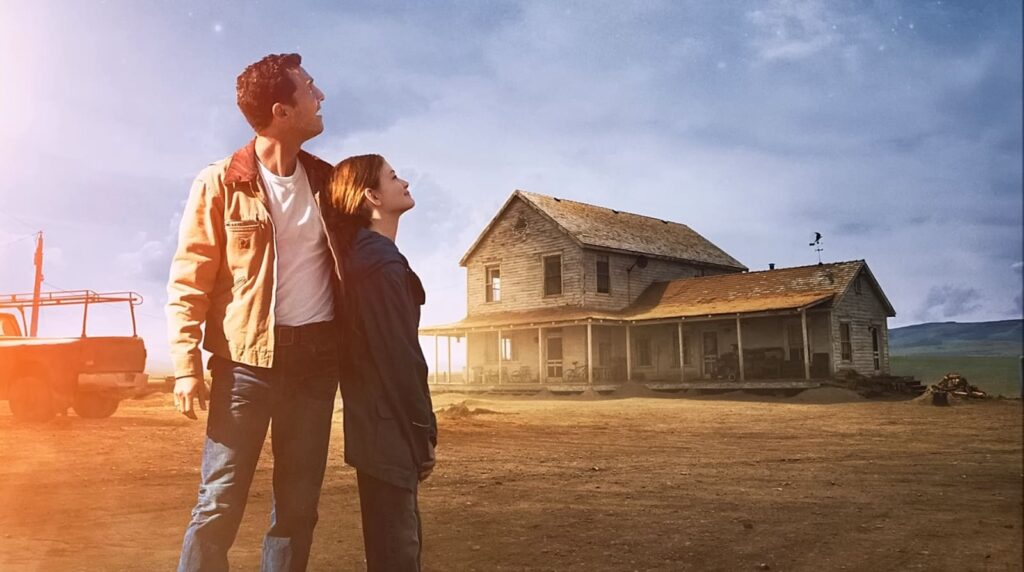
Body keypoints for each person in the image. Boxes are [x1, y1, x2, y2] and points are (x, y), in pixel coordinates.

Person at [166, 53, 342, 571]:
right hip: (245, 367)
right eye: (310, 87)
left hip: (315, 364)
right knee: (219, 500)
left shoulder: (330, 183)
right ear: (281, 109)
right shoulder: (220, 182)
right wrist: (183, 365)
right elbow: (189, 278)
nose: (320, 96)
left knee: (298, 506)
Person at [326, 154, 437, 571]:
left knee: (390, 544)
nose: (404, 181)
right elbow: (399, 357)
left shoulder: (362, 256)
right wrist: (422, 431)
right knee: (397, 549)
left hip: (373, 422)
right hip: (389, 425)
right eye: (393, 177)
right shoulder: (379, 264)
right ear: (372, 196)